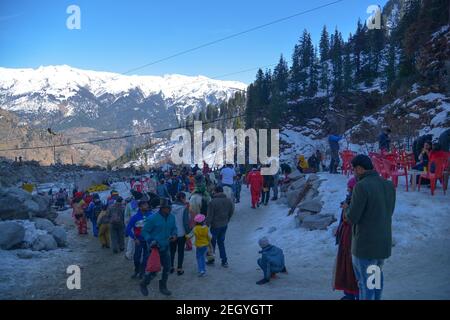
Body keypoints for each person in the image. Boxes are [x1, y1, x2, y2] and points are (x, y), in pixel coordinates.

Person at [343, 155, 396, 300]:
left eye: (353, 169)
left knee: (365, 284)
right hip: (382, 243)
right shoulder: (388, 185)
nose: (353, 172)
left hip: (365, 245)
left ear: (360, 169)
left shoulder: (361, 186)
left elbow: (352, 217)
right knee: (376, 280)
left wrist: (346, 208)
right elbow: (389, 212)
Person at [140, 198, 177, 297]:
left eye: (170, 207)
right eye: (167, 208)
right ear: (162, 208)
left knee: (167, 268)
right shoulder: (153, 218)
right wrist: (150, 240)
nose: (169, 209)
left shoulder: (172, 217)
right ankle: (144, 283)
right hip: (154, 248)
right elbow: (144, 231)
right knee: (154, 270)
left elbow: (174, 228)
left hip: (166, 246)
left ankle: (163, 287)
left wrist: (174, 235)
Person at [333, 176, 359, 300]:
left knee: (352, 268)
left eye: (350, 188)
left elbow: (352, 218)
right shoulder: (350, 199)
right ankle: (348, 294)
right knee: (345, 267)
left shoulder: (358, 200)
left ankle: (355, 294)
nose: (348, 190)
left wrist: (346, 209)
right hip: (345, 238)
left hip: (352, 238)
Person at [206, 186, 234, 268]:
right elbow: (231, 212)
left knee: (212, 243)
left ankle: (211, 259)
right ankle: (224, 261)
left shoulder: (212, 202)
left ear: (216, 191)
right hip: (224, 225)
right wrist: (227, 219)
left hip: (215, 226)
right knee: (221, 243)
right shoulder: (228, 201)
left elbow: (209, 216)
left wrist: (207, 224)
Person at [126, 200, 153, 279]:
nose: (147, 206)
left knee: (146, 257)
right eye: (145, 205)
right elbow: (127, 229)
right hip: (139, 240)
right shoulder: (135, 217)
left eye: (147, 204)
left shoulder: (151, 215)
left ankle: (142, 272)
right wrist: (135, 238)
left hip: (148, 240)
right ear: (140, 207)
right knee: (136, 257)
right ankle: (137, 270)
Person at [170, 192, 191, 276]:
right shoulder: (184, 208)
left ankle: (171, 267)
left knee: (171, 251)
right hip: (181, 233)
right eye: (185, 198)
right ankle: (179, 268)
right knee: (181, 251)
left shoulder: (170, 207)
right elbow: (186, 222)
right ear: (182, 198)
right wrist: (188, 232)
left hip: (172, 233)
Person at [124, 190, 142, 260]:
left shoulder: (129, 205)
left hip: (133, 224)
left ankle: (129, 254)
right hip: (140, 224)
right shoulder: (142, 204)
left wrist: (127, 225)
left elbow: (126, 216)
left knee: (131, 239)